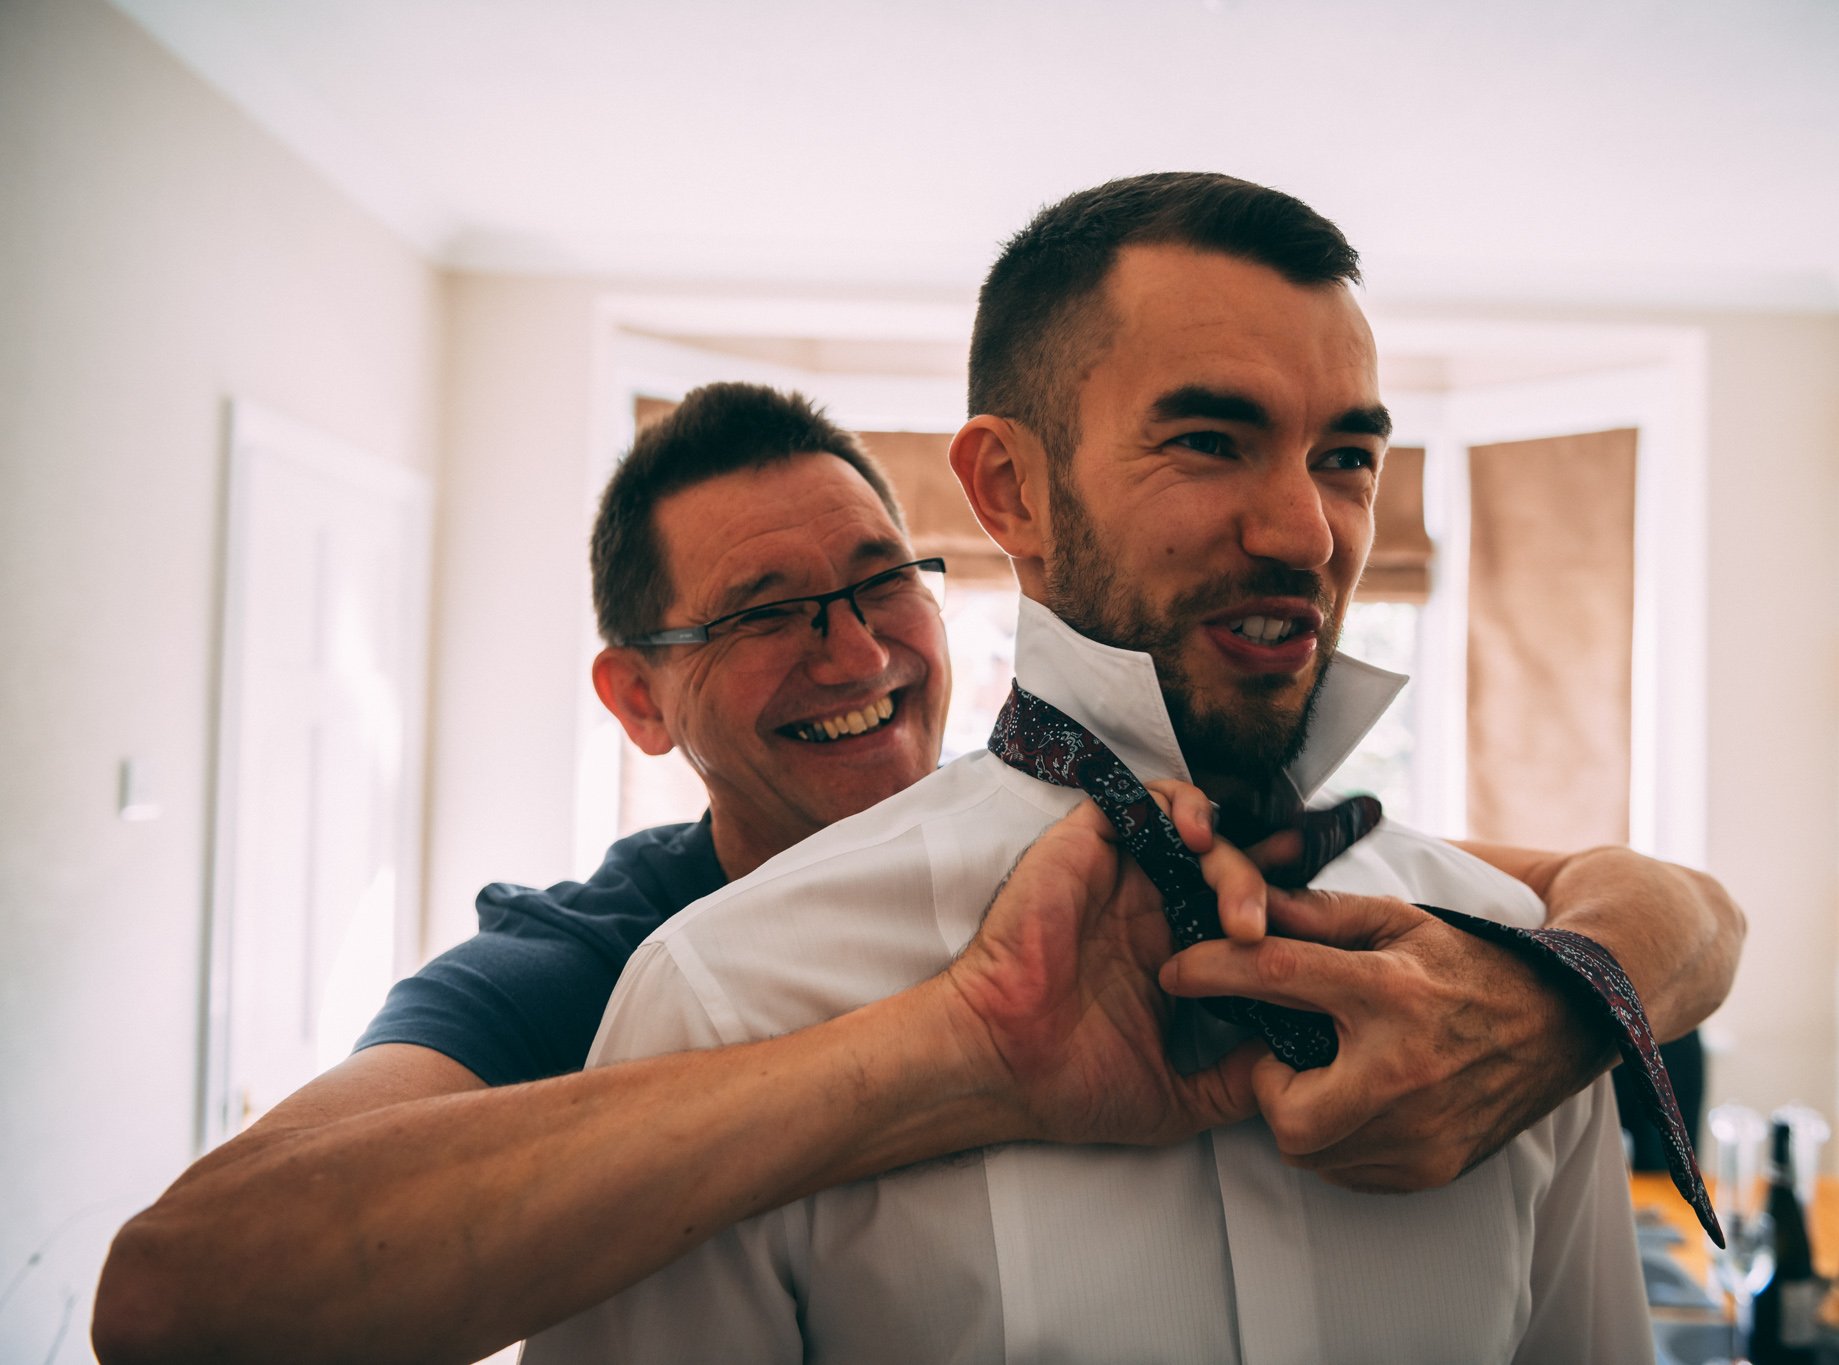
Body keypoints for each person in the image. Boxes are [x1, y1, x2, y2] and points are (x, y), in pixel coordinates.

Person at [96, 359, 1739, 1361]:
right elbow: (184, 1304)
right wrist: (949, 1060)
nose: (853, 651)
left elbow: (1616, 887)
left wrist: (1560, 1008)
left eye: (880, 579)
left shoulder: (1076, 834)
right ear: (634, 699)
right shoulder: (586, 963)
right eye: (760, 612)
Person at [524, 174, 1729, 1362]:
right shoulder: (727, 1001)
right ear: (1009, 490)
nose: (1308, 532)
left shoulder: (1512, 994)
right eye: (1209, 441)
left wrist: (1587, 981)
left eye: (1346, 456)